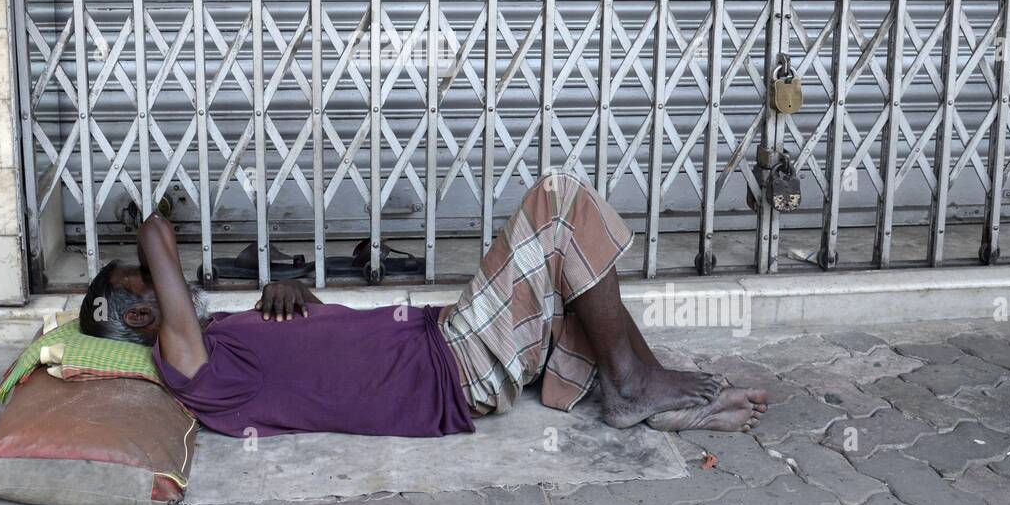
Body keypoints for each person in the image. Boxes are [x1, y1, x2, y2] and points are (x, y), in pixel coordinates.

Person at [80, 171, 768, 438]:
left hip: (444, 340)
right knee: (558, 204)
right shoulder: (191, 366)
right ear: (141, 314)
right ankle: (634, 387)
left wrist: (298, 299)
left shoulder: (221, 340)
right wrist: (143, 251)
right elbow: (156, 232)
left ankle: (649, 394)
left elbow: (326, 355)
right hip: (450, 364)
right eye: (141, 281)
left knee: (570, 270)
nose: (156, 278)